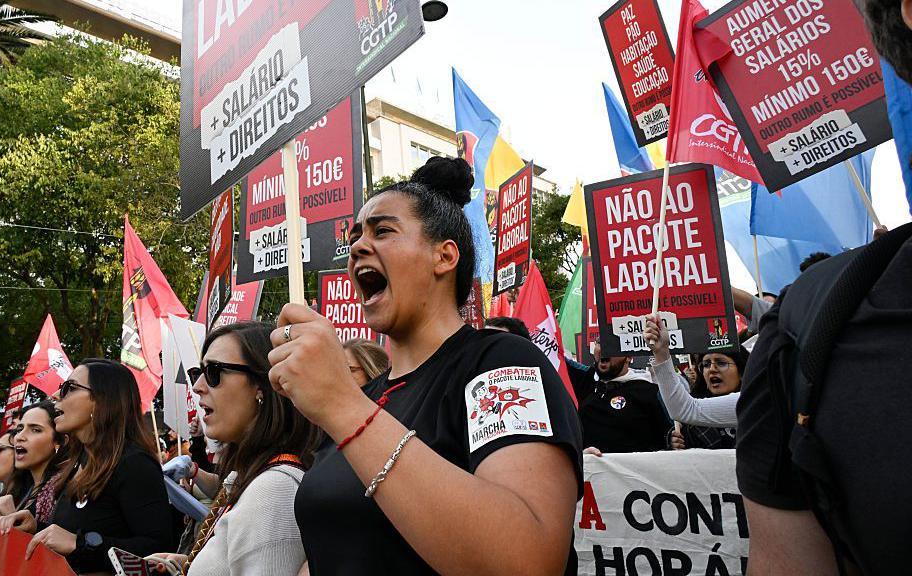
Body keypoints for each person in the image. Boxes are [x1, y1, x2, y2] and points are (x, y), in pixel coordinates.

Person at [269, 157, 582, 574]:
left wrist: (342, 406)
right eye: (356, 236)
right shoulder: (366, 398)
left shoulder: (500, 363)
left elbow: (527, 561)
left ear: (444, 256)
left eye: (383, 231)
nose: (358, 247)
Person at [156, 322, 321, 575]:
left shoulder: (274, 489)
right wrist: (186, 566)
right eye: (196, 373)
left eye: (213, 371)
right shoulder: (250, 476)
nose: (198, 385)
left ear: (262, 385)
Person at [23, 359, 173, 573]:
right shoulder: (77, 462)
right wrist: (36, 528)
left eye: (70, 388)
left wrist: (81, 543)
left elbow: (159, 550)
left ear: (103, 399)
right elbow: (71, 537)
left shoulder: (134, 464)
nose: (56, 396)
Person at [644, 314, 748, 450]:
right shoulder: (689, 426)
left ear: (741, 371)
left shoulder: (758, 406)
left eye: (721, 363)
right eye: (705, 364)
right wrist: (673, 445)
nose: (712, 369)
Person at [573, 341, 672, 455]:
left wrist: (671, 440)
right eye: (599, 342)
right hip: (591, 471)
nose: (603, 349)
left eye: (612, 343)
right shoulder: (585, 380)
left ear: (628, 356)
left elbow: (668, 437)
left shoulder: (650, 392)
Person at [0, 402, 68, 533]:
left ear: (57, 442)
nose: (20, 437)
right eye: (19, 429)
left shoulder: (66, 490)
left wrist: (12, 517)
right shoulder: (20, 487)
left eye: (35, 430)